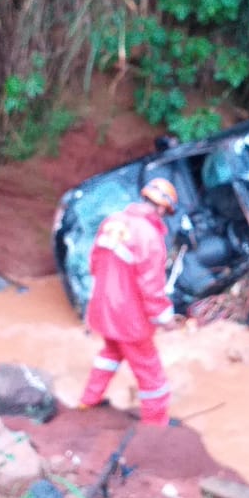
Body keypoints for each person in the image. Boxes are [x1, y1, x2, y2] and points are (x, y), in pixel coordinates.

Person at [76, 177, 180, 425]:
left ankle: (87, 401)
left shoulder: (112, 221)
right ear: (162, 208)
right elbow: (151, 287)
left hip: (102, 309)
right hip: (128, 318)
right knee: (151, 374)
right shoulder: (151, 238)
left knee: (110, 353)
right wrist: (165, 318)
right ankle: (156, 426)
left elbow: (94, 263)